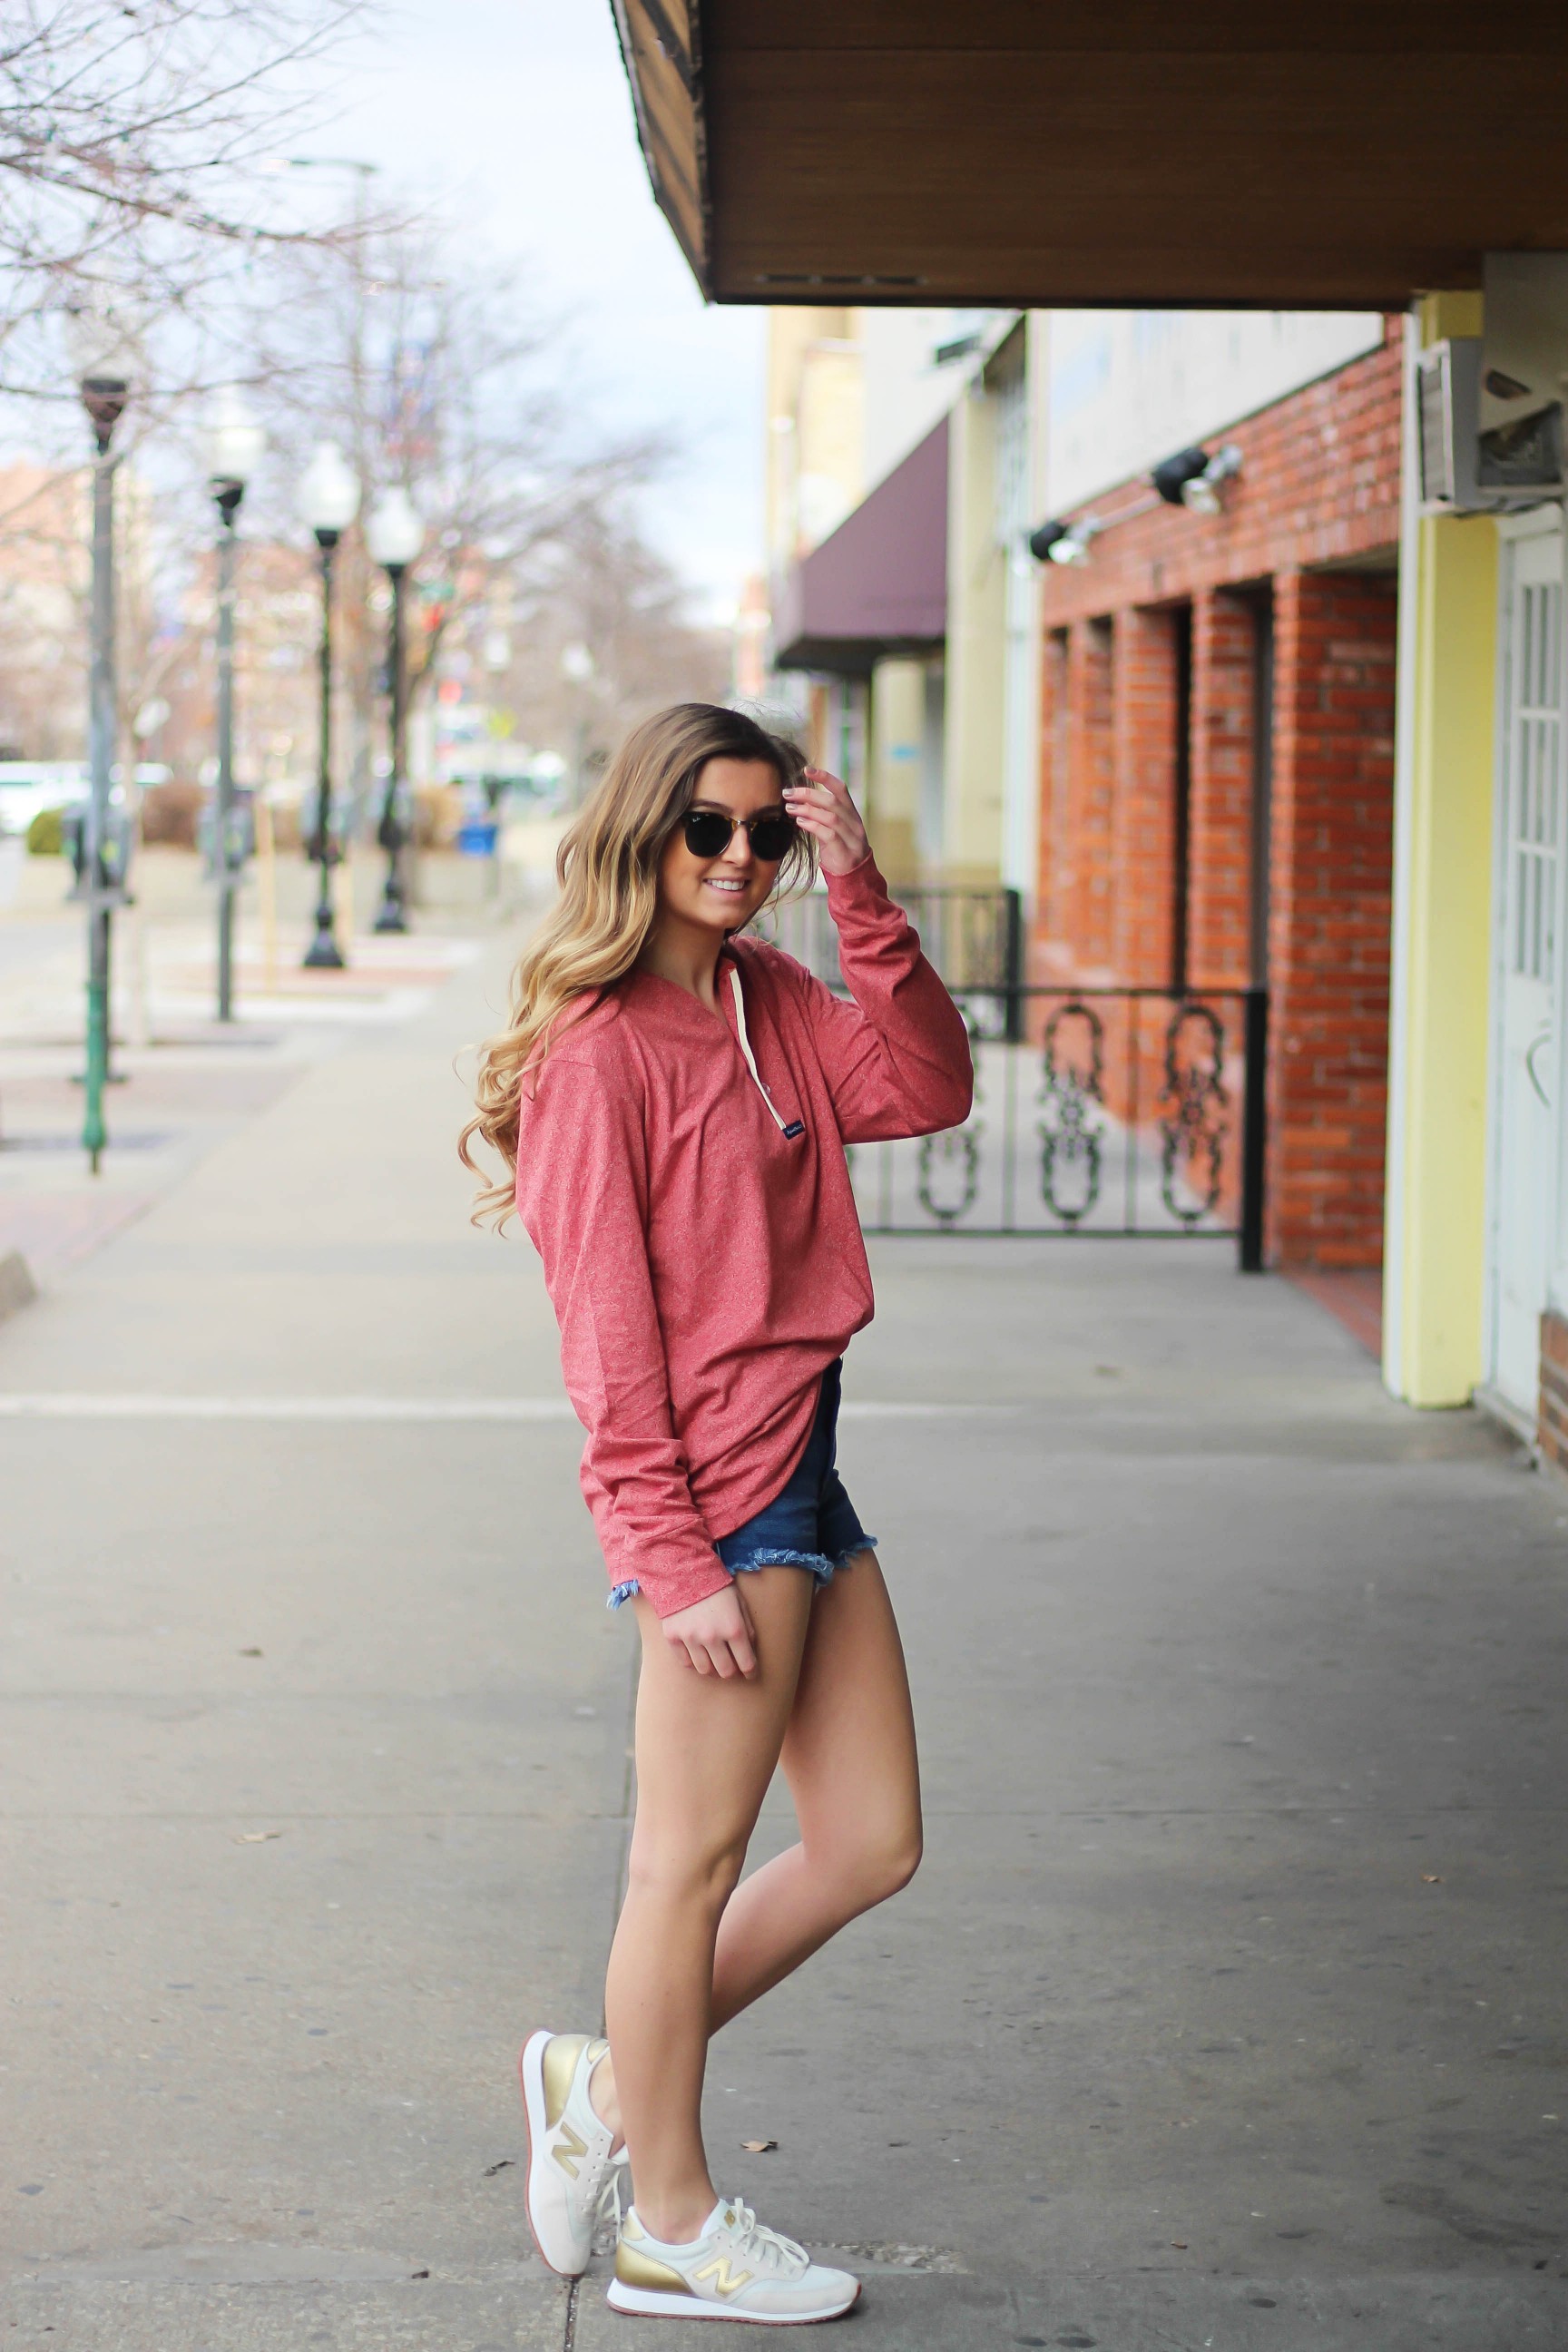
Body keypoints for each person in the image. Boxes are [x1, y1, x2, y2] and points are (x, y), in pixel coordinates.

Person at [461, 701, 973, 2325]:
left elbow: (927, 1086)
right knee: (682, 1871)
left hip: (805, 1466)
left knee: (872, 1842)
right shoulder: (597, 1053)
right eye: (709, 832)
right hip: (719, 1499)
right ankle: (666, 2218)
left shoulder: (773, 994)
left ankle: (599, 2088)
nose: (742, 861)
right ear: (642, 835)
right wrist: (665, 1556)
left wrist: (867, 895)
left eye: (768, 831)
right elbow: (606, 1349)